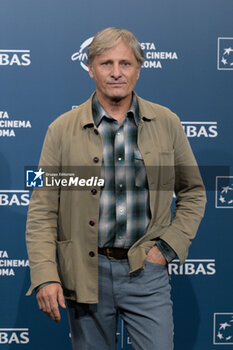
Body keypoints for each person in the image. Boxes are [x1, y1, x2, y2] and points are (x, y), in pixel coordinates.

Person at [26, 27, 206, 350]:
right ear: (91, 68)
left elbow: (193, 192)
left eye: (125, 63)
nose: (116, 73)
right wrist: (44, 274)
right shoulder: (60, 130)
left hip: (146, 272)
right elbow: (42, 208)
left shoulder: (167, 123)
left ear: (138, 69)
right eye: (106, 63)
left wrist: (165, 250)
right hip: (85, 273)